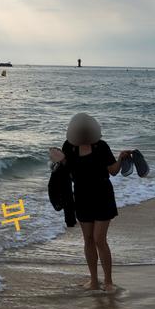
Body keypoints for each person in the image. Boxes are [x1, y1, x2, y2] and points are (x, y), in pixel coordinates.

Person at [59, 112, 132, 293]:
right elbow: (64, 172)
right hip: (82, 197)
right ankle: (93, 280)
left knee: (100, 239)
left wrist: (121, 158)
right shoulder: (68, 147)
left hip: (103, 196)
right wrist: (56, 161)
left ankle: (108, 281)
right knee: (88, 240)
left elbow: (113, 171)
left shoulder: (101, 146)